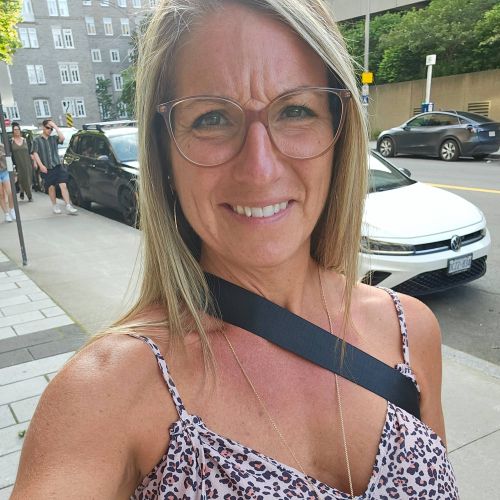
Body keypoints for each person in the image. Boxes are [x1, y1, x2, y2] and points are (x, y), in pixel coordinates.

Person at [12, 1, 459, 498]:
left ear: (340, 134)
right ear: (164, 152)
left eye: (295, 110)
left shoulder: (409, 331)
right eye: (211, 118)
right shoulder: (108, 391)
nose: (260, 169)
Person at [31, 119, 78, 215]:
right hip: (47, 167)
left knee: (63, 185)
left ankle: (68, 205)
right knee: (51, 187)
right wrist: (41, 165)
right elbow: (35, 153)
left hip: (57, 165)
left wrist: (55, 127)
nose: (50, 130)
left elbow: (62, 138)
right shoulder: (37, 140)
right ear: (43, 127)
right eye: (48, 128)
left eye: (51, 129)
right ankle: (54, 205)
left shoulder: (54, 138)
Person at [10, 122, 34, 202]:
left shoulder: (25, 140)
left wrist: (34, 160)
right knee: (21, 179)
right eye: (15, 130)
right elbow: (9, 154)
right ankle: (28, 195)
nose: (16, 131)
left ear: (20, 130)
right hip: (17, 164)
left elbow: (31, 151)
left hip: (27, 163)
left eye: (18, 129)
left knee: (28, 179)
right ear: (13, 131)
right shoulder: (11, 142)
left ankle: (24, 192)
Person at [0, 142, 16, 223]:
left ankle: (12, 209)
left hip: (5, 171)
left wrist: (13, 172)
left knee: (10, 192)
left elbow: (9, 159)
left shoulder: (2, 146)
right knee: (1, 194)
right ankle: (6, 214)